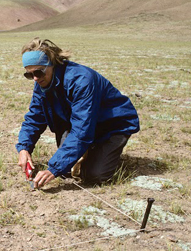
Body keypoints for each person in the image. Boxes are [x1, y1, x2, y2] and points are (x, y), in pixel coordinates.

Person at [16, 38, 140, 189]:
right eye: (29, 75)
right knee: (66, 170)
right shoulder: (41, 83)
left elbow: (82, 131)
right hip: (80, 123)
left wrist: (52, 169)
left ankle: (105, 151)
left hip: (112, 125)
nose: (35, 78)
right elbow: (35, 117)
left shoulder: (82, 80)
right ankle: (92, 150)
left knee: (95, 176)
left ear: (52, 64)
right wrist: (24, 148)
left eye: (38, 72)